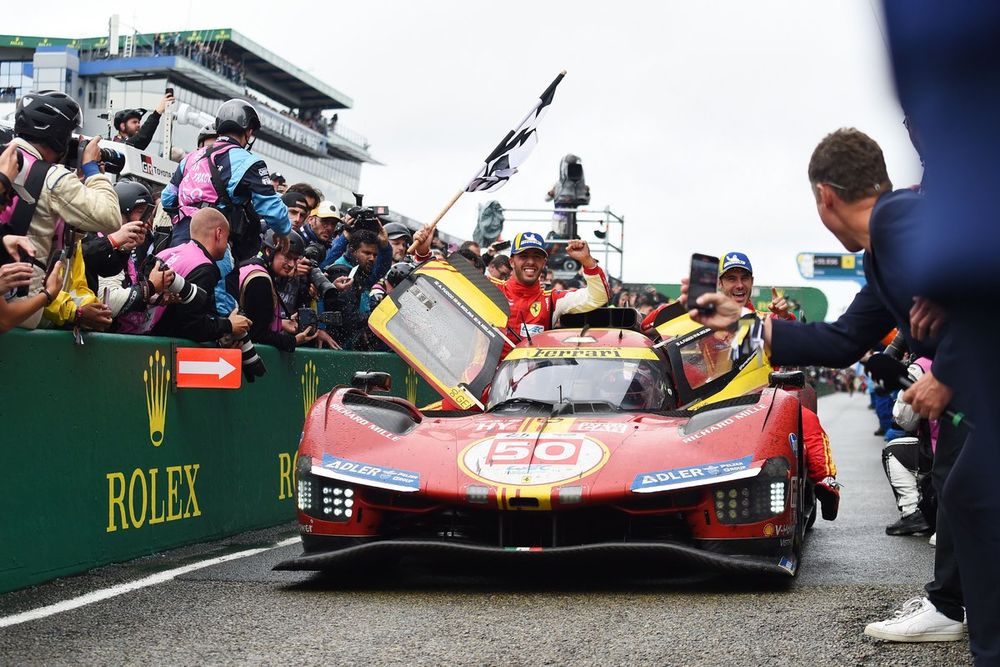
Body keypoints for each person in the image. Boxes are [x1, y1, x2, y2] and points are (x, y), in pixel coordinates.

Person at [685, 128, 965, 646]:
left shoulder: (900, 221)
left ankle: (955, 604)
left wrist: (949, 371)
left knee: (967, 490)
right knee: (955, 485)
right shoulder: (885, 246)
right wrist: (740, 323)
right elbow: (841, 341)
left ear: (824, 196)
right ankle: (950, 602)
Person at [716, 251, 840, 520]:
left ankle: (825, 482)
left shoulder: (764, 319)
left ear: (751, 282)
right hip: (709, 405)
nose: (738, 284)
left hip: (760, 402)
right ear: (720, 284)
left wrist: (786, 318)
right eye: (731, 278)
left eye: (744, 278)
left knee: (804, 418)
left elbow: (797, 345)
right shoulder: (699, 319)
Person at [2, 90, 121, 329]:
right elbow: (111, 217)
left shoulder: (6, 160)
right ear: (59, 137)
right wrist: (91, 170)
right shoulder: (53, 177)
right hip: (23, 310)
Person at [413, 228, 610, 349]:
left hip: (529, 390)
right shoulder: (488, 287)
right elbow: (437, 284)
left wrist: (587, 261)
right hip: (482, 388)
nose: (530, 262)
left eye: (537, 256)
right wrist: (423, 253)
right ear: (512, 260)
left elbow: (597, 297)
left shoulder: (552, 299)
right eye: (524, 256)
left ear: (544, 261)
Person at [150, 208, 250, 342]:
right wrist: (229, 325)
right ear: (219, 233)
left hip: (138, 335)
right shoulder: (204, 268)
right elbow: (192, 326)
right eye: (227, 239)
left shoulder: (167, 253)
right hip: (162, 348)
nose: (227, 245)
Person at [237, 230, 343, 351]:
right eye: (287, 257)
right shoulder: (261, 280)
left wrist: (280, 322)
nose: (292, 264)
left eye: (295, 259)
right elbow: (259, 335)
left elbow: (251, 318)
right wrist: (294, 341)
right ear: (269, 251)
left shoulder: (250, 266)